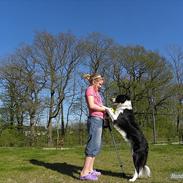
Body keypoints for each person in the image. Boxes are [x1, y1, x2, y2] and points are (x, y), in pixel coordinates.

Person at [80, 73, 106, 181]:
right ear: (95, 81)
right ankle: (84, 173)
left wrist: (106, 111)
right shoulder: (90, 89)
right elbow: (92, 106)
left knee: (96, 145)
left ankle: (90, 170)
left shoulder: (96, 92)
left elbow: (100, 106)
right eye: (100, 84)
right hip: (94, 120)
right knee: (92, 145)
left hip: (99, 119)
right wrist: (106, 109)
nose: (100, 86)